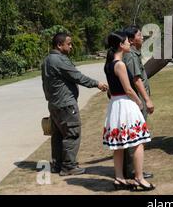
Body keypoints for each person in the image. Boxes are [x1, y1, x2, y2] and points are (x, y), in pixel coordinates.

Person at [41, 32, 108, 176]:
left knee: (58, 135)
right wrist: (97, 84)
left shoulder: (47, 60)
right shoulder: (59, 60)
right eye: (68, 43)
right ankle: (69, 166)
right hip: (66, 105)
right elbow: (77, 76)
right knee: (72, 133)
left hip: (55, 104)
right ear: (59, 45)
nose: (71, 46)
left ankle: (57, 164)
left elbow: (44, 84)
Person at [103, 31, 155, 191]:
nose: (129, 44)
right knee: (138, 141)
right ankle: (139, 178)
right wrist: (140, 102)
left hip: (115, 104)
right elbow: (129, 89)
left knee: (118, 145)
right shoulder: (120, 64)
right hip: (126, 104)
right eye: (127, 42)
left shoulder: (108, 64)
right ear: (120, 45)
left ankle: (119, 178)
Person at [122, 25, 154, 179]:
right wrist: (146, 100)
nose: (142, 37)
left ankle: (132, 169)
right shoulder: (131, 56)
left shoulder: (134, 54)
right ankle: (134, 170)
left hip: (137, 99)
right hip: (137, 101)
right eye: (139, 35)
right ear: (131, 40)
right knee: (135, 135)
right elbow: (136, 80)